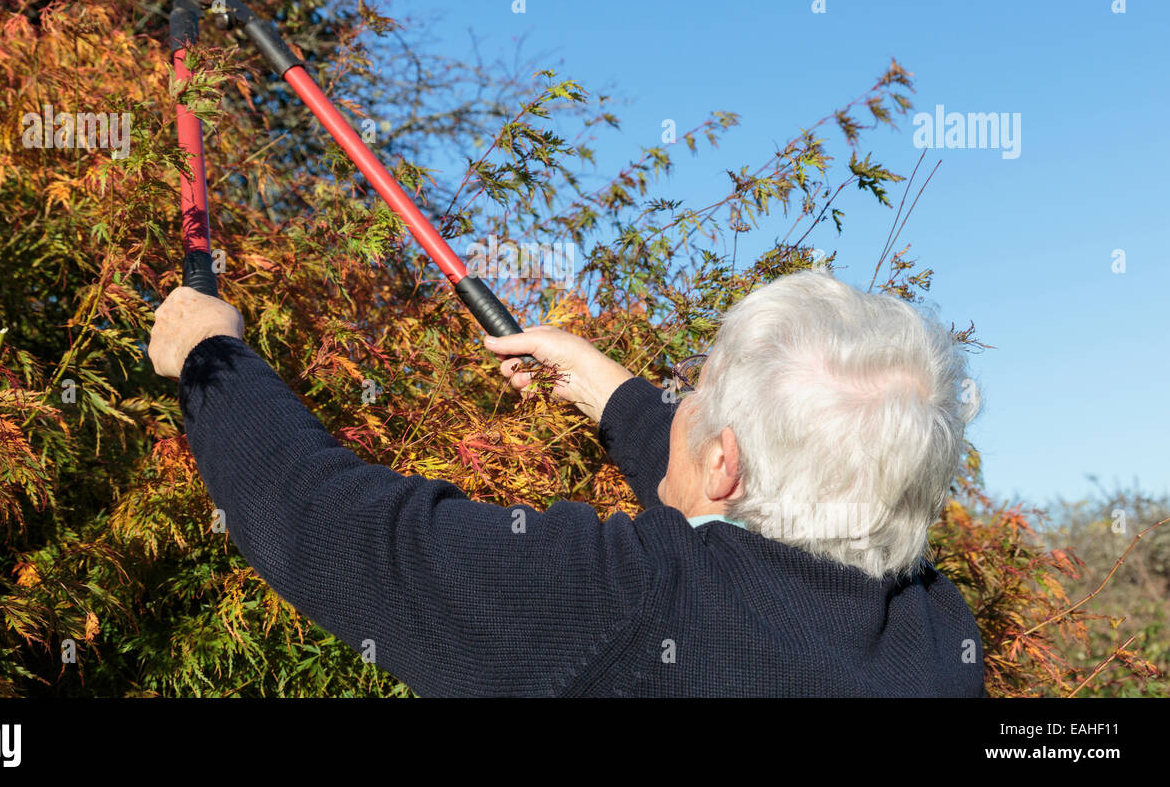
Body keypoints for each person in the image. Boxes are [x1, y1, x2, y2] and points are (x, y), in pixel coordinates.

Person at [147, 269, 985, 696]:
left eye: (692, 393)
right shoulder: (937, 629)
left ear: (723, 463)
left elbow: (331, 525)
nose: (676, 404)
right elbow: (766, 497)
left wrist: (209, 358)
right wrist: (609, 392)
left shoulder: (628, 603)